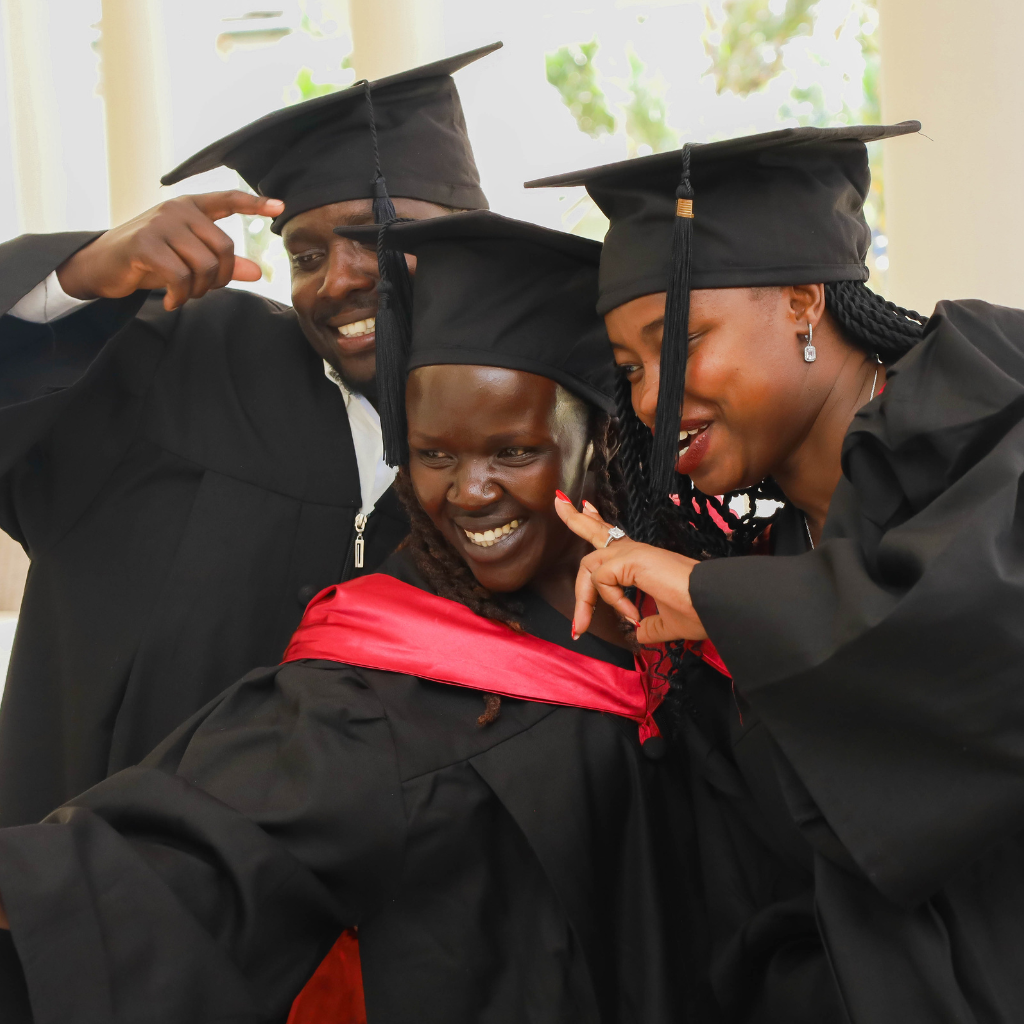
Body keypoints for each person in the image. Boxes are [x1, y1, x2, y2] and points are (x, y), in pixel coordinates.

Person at [0, 211, 708, 1024]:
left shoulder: (702, 598)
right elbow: (198, 846)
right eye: (436, 455)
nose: (470, 491)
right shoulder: (381, 683)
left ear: (598, 444)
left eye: (512, 451)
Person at [529, 123, 1024, 1023]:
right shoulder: (765, 558)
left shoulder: (988, 409)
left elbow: (982, 643)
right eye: (632, 369)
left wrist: (719, 604)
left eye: (681, 342)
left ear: (803, 300)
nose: (650, 400)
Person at [0, 44, 500, 828]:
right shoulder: (173, 360)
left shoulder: (528, 435)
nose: (336, 280)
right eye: (305, 254)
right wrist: (79, 280)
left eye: (374, 233)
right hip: (85, 908)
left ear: (476, 239)